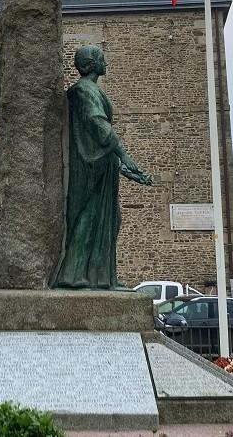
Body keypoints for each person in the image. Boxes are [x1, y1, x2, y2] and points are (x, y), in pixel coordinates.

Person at [52, 46, 153, 289]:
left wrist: (120, 163)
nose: (105, 60)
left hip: (102, 164)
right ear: (92, 63)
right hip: (90, 167)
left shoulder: (90, 90)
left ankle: (101, 277)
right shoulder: (83, 91)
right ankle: (74, 275)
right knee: (89, 218)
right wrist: (125, 156)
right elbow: (98, 125)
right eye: (101, 57)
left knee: (110, 219)